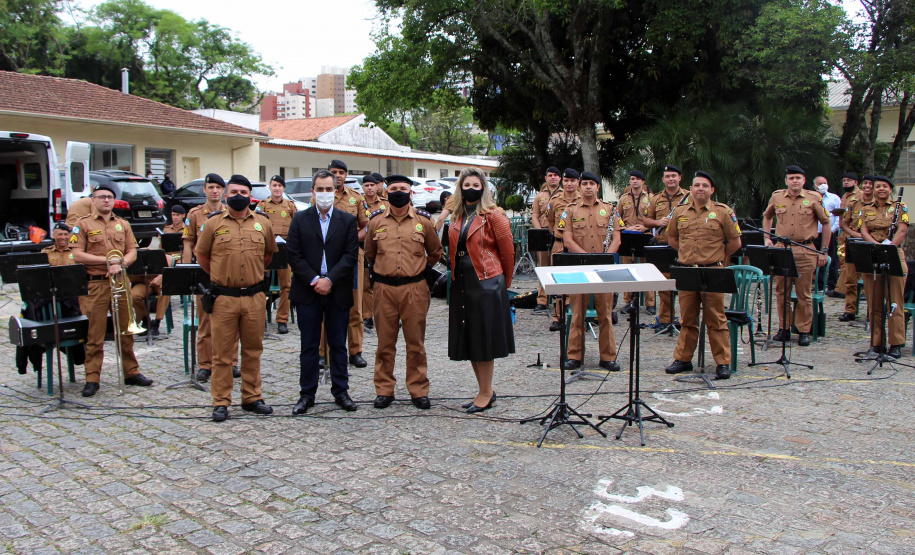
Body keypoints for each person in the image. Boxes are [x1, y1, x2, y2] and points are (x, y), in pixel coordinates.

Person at [195, 174, 278, 422]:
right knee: (221, 354)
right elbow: (202, 256)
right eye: (233, 192)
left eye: (243, 192)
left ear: (250, 196)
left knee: (253, 350)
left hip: (254, 297)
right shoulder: (213, 223)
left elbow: (268, 256)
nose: (238, 197)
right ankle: (221, 401)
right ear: (226, 195)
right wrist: (222, 275)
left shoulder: (263, 223)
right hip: (224, 298)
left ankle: (252, 397)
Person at [365, 175, 444, 409]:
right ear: (386, 193)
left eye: (403, 188)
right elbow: (370, 253)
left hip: (415, 289)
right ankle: (384, 390)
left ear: (411, 193)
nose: (398, 192)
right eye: (394, 189)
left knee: (415, 343)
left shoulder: (424, 221)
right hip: (384, 289)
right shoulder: (376, 221)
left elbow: (435, 252)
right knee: (384, 344)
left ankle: (418, 389)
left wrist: (416, 270)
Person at [287, 170, 360, 414]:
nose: (325, 194)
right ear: (313, 191)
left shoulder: (347, 221)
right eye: (321, 189)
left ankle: (341, 391)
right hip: (308, 291)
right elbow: (294, 255)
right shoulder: (299, 219)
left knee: (338, 343)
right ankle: (307, 394)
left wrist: (329, 279)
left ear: (335, 191)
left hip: (337, 290)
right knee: (309, 346)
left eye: (329, 189)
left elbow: (350, 256)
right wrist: (315, 279)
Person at [71, 183, 153, 397]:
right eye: (101, 197)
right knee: (95, 334)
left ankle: (131, 372)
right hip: (96, 283)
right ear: (93, 200)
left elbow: (132, 250)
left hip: (120, 280)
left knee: (126, 329)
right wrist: (107, 262)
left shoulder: (123, 224)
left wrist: (121, 264)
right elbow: (77, 254)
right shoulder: (82, 225)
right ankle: (92, 378)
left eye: (109, 197)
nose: (106, 200)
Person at [448, 167, 515, 413]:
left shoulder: (494, 215)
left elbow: (508, 252)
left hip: (486, 282)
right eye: (466, 185)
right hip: (462, 282)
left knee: (483, 339)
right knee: (471, 339)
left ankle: (486, 392)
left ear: (483, 187)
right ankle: (483, 389)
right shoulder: (457, 215)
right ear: (460, 187)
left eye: (476, 185)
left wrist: (503, 284)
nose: (471, 189)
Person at [664, 172, 743, 379]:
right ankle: (683, 359)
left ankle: (722, 362)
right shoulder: (680, 212)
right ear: (690, 188)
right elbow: (672, 238)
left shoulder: (723, 212)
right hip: (687, 270)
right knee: (687, 318)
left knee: (716, 318)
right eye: (696, 185)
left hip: (712, 270)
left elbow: (735, 242)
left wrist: (719, 259)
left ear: (711, 190)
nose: (700, 188)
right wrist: (687, 254)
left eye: (705, 186)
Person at [559, 171, 621, 372]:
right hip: (580, 267)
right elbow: (567, 240)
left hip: (603, 268)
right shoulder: (570, 210)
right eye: (584, 183)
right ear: (579, 186)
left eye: (591, 184)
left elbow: (617, 239)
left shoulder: (611, 210)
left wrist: (604, 259)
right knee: (578, 314)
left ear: (597, 187)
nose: (587, 187)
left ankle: (608, 357)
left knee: (605, 314)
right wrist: (586, 258)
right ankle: (575, 356)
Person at [762, 165, 831, 346]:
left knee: (804, 293)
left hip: (805, 249)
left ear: (804, 181)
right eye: (791, 178)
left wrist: (823, 251)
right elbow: (768, 216)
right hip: (782, 248)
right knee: (781, 291)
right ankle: (784, 328)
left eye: (798, 178)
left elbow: (826, 222)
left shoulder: (814, 198)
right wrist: (767, 237)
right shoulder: (777, 196)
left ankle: (803, 330)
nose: (794, 181)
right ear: (786, 181)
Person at [183, 174, 239, 381]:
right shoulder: (195, 214)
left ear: (223, 191)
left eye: (218, 187)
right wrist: (187, 270)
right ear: (204, 190)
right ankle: (205, 364)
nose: (214, 191)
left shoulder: (231, 212)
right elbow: (188, 242)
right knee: (206, 322)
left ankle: (231, 362)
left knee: (231, 321)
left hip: (226, 275)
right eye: (210, 187)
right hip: (204, 274)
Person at [317, 160, 370, 369]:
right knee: (324, 306)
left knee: (354, 307)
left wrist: (349, 240)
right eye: (333, 172)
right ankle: (323, 352)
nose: (337, 175)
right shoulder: (320, 196)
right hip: (324, 257)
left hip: (351, 257)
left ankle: (355, 351)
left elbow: (366, 227)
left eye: (341, 172)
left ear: (346, 175)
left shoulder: (356, 199)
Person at [858, 175, 909, 358]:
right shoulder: (865, 209)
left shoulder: (900, 207)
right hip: (872, 255)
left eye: (885, 186)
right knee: (874, 303)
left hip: (894, 254)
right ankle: (876, 343)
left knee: (895, 302)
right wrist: (876, 246)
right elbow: (863, 230)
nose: (881, 189)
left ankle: (896, 343)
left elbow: (902, 230)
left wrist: (888, 246)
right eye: (877, 186)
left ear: (890, 190)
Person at [643, 164, 688, 329]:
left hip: (684, 246)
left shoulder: (688, 197)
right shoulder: (656, 199)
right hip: (663, 245)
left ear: (679, 178)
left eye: (674, 176)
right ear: (663, 179)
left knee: (684, 284)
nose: (671, 179)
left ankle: (686, 321)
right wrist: (658, 222)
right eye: (667, 176)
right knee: (664, 285)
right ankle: (666, 319)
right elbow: (646, 221)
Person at [256, 175, 297, 334]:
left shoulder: (290, 206)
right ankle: (260, 318)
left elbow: (297, 227)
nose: (277, 189)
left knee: (286, 285)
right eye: (274, 186)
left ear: (284, 188)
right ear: (270, 187)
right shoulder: (263, 205)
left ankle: (282, 320)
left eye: (280, 186)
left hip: (284, 250)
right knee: (260, 284)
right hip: (266, 249)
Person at [545, 168, 583, 331]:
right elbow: (550, 220)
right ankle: (558, 317)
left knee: (577, 281)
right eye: (566, 181)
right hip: (560, 244)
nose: (569, 184)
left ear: (577, 183)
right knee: (559, 281)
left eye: (572, 181)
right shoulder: (555, 201)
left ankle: (577, 317)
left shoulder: (583, 199)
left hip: (578, 244)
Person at [617, 170, 656, 315]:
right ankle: (628, 301)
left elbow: (655, 217)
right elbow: (617, 217)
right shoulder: (623, 199)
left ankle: (650, 303)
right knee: (628, 270)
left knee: (647, 269)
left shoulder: (651, 198)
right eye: (632, 178)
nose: (635, 181)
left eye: (638, 179)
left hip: (645, 236)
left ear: (643, 182)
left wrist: (645, 227)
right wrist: (626, 227)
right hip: (628, 236)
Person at [838, 174, 874, 322]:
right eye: (865, 183)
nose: (867, 186)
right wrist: (854, 234)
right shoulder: (854, 202)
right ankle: (850, 310)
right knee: (850, 279)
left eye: (871, 184)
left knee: (871, 280)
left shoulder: (879, 203)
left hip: (871, 244)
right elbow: (844, 223)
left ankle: (872, 312)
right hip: (854, 242)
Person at [531, 166, 563, 313]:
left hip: (559, 235)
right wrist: (539, 232)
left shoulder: (565, 194)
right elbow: (535, 215)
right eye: (550, 175)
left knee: (558, 266)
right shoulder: (539, 196)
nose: (553, 178)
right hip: (543, 233)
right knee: (543, 267)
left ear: (560, 178)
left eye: (556, 175)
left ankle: (559, 299)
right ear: (546, 178)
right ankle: (542, 300)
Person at [361, 174, 387, 330]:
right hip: (364, 248)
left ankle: (383, 315)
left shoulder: (385, 204)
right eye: (367, 185)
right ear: (363, 187)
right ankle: (367, 316)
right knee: (366, 285)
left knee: (382, 285)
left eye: (373, 185)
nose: (370, 188)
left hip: (382, 248)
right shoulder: (359, 203)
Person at [835, 172, 862, 317]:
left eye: (849, 180)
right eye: (844, 180)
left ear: (856, 182)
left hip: (856, 235)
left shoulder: (860, 196)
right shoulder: (845, 196)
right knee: (843, 263)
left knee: (851, 269)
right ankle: (844, 294)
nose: (846, 183)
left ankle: (841, 289)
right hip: (844, 234)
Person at [814, 176, 842, 294]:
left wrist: (832, 230)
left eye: (825, 183)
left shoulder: (834, 198)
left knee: (832, 259)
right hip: (815, 234)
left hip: (830, 233)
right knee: (817, 260)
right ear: (815, 185)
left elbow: (838, 216)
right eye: (820, 183)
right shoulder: (812, 198)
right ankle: (819, 285)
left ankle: (832, 285)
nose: (823, 185)